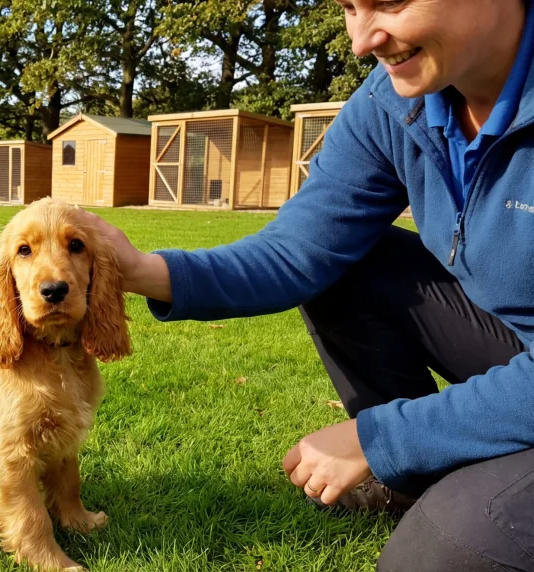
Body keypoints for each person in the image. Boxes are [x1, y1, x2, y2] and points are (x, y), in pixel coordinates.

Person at [86, 0, 534, 569]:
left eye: (390, 3)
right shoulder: (395, 101)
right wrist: (143, 270)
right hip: (515, 343)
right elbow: (301, 250)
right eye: (349, 7)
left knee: (442, 552)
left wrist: (382, 437)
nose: (361, 40)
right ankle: (419, 477)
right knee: (351, 264)